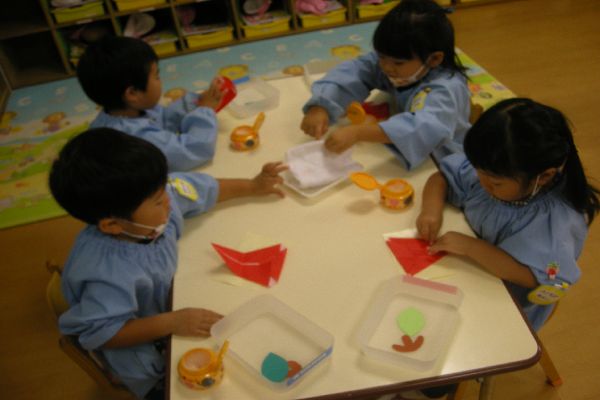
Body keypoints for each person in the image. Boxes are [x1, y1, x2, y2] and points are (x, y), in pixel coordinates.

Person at [49, 127, 287, 399]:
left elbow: (202, 190)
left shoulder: (149, 201)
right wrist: (171, 322)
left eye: (164, 191)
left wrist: (253, 186)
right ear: (112, 225)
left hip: (173, 302)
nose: (170, 201)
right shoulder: (108, 275)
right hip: (147, 353)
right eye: (159, 201)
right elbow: (102, 333)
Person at [417, 98, 600, 332]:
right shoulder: (495, 168)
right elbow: (442, 177)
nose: (481, 183)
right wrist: (431, 211)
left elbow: (539, 276)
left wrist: (471, 247)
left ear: (543, 177)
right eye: (478, 171)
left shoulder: (555, 223)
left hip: (507, 307)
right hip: (469, 278)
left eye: (495, 183)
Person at [300, 0, 471, 171]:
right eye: (381, 56)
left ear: (434, 59)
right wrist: (321, 106)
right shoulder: (396, 61)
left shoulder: (446, 89)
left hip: (444, 162)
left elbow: (422, 127)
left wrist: (358, 133)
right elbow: (355, 71)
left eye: (398, 63)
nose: (386, 67)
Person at [77, 36, 224, 172]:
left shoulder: (124, 109)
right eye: (156, 76)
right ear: (132, 93)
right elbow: (194, 151)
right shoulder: (137, 139)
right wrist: (205, 110)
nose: (160, 81)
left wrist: (195, 101)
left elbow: (163, 118)